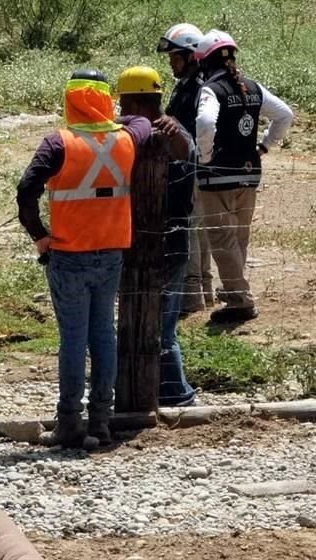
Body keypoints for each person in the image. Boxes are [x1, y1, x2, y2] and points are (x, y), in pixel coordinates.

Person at [16, 69, 188, 448]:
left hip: (68, 254)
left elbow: (26, 190)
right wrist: (118, 120)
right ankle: (101, 422)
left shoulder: (57, 144)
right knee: (104, 336)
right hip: (111, 252)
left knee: (73, 339)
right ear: (106, 98)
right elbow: (144, 120)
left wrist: (40, 237)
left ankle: (69, 423)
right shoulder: (127, 138)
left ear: (70, 99)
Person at [193, 30, 294, 323]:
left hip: (217, 178)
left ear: (205, 62)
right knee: (238, 238)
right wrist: (264, 145)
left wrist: (206, 156)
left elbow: (205, 122)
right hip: (249, 175)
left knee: (222, 240)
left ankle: (240, 300)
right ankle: (235, 294)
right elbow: (285, 114)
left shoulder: (211, 89)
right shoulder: (252, 87)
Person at [115, 66, 197, 407]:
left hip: (157, 242)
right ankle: (150, 391)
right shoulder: (170, 129)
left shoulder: (165, 134)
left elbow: (181, 151)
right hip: (169, 242)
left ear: (134, 101)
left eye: (123, 104)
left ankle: (175, 395)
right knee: (155, 322)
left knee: (159, 326)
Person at [157, 23, 214, 314]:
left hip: (191, 167)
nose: (171, 63)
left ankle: (192, 294)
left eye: (175, 57)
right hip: (195, 166)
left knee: (192, 228)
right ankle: (204, 291)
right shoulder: (189, 85)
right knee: (199, 227)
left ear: (192, 56)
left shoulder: (199, 88)